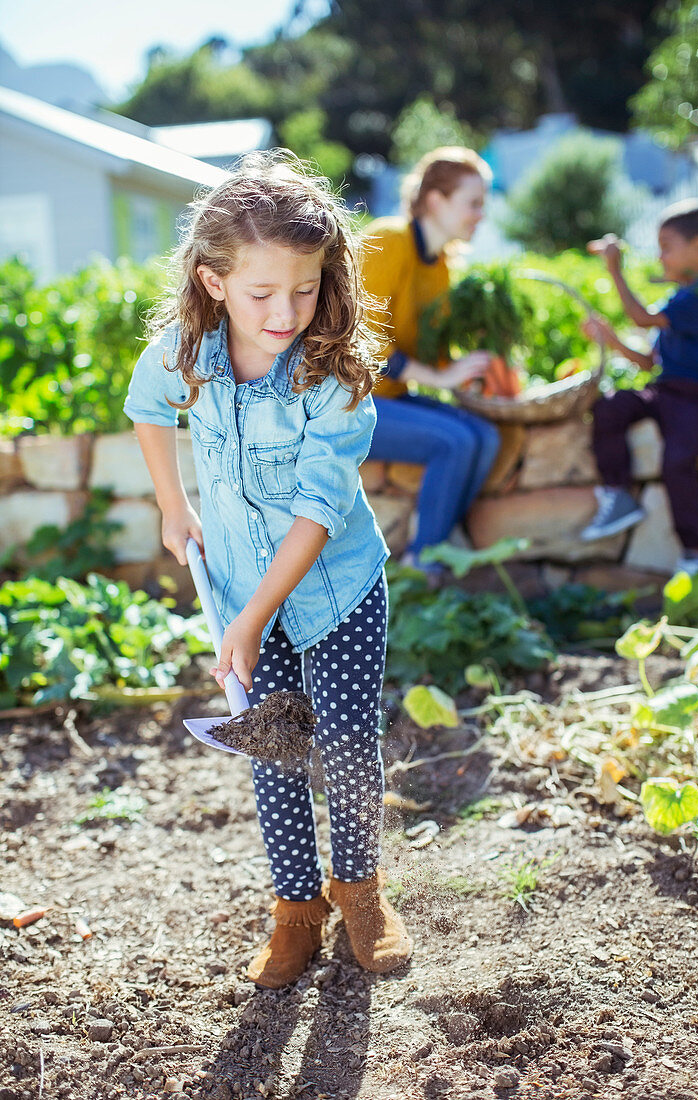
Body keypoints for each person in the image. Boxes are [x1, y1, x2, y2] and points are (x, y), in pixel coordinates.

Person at [123, 150, 412, 989]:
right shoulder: (190, 348)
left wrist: (250, 620)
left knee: (348, 745)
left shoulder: (337, 375)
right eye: (261, 293)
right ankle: (295, 910)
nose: (286, 311)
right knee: (274, 749)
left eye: (305, 288)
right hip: (242, 583)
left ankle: (358, 890)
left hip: (336, 587)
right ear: (214, 283)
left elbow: (320, 511)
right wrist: (173, 507)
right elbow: (147, 410)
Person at [362, 147, 510, 569]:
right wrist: (439, 377)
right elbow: (359, 337)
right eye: (473, 203)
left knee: (486, 437)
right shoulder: (388, 240)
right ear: (435, 201)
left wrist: (480, 367)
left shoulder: (441, 267)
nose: (480, 214)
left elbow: (434, 356)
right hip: (339, 401)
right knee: (454, 441)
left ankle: (439, 543)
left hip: (388, 397)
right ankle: (422, 565)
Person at [580, 200, 698, 576]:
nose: (660, 256)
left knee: (677, 461)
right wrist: (612, 341)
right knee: (610, 407)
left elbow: (641, 317)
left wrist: (615, 270)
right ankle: (617, 493)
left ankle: (693, 551)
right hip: (666, 392)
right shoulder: (678, 299)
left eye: (667, 246)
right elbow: (651, 363)